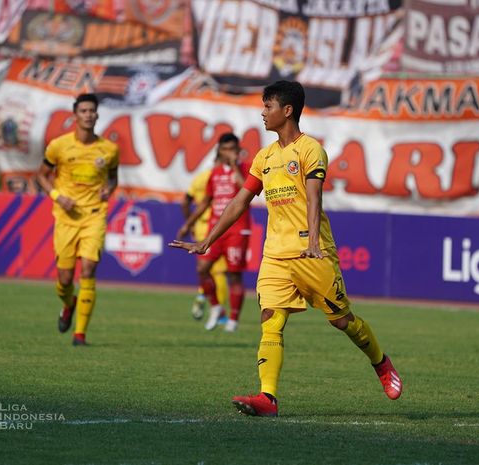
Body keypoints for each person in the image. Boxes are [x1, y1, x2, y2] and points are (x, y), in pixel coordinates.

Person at [170, 81, 402, 416]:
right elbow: (240, 200)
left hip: (312, 251)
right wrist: (208, 240)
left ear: (287, 110)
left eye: (268, 106)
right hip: (276, 253)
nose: (262, 113)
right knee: (270, 319)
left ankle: (380, 362)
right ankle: (268, 398)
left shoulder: (310, 150)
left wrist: (311, 241)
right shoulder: (264, 157)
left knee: (342, 321)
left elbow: (314, 195)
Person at [36, 93, 119, 346]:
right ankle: (68, 303)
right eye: (83, 110)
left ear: (97, 114)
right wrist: (57, 196)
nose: (88, 114)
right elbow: (40, 176)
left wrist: (110, 189)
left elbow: (113, 177)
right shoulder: (58, 146)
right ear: (75, 115)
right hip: (66, 217)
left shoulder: (109, 149)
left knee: (89, 269)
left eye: (92, 110)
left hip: (94, 216)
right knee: (64, 280)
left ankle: (80, 334)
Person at [176, 133, 251, 332]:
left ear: (238, 149)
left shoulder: (246, 169)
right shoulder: (215, 173)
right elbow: (205, 203)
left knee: (233, 275)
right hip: (216, 230)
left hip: (237, 229)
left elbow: (248, 192)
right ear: (219, 150)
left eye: (233, 148)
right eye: (226, 149)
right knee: (202, 268)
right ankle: (216, 307)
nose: (230, 152)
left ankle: (234, 319)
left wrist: (235, 166)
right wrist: (188, 224)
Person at [181, 161, 230, 321]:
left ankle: (203, 293)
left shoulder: (199, 178)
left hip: (200, 228)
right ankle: (219, 311)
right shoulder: (220, 178)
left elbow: (185, 201)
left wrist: (189, 223)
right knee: (219, 272)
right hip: (216, 228)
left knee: (204, 269)